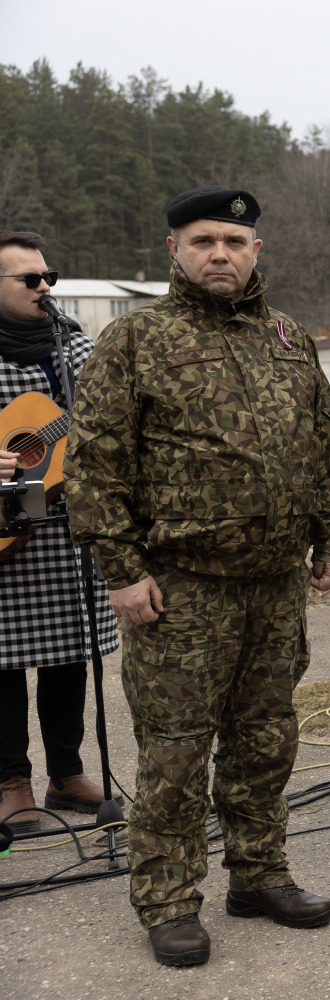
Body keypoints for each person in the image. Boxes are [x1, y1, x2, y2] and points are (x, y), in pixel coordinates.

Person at [66, 187, 330, 966]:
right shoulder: (137, 340)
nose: (219, 254)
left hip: (275, 585)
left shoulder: (288, 338)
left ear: (257, 251)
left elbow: (325, 448)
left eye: (234, 241)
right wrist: (122, 570)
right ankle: (167, 899)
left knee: (266, 738)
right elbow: (94, 465)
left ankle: (259, 874)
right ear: (175, 251)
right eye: (203, 241)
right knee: (176, 750)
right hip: (181, 587)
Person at [0, 231, 120, 834]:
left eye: (50, 277)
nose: (44, 287)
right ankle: (11, 781)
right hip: (6, 533)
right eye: (30, 279)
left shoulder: (74, 346)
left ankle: (66, 773)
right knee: (2, 665)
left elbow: (112, 412)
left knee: (71, 653)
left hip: (70, 530)